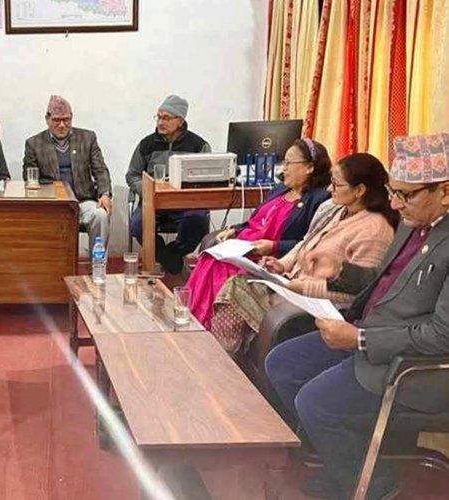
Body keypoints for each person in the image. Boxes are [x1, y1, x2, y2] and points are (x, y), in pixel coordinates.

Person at [266, 132, 449, 500]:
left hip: (406, 363)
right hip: (367, 332)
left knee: (315, 403)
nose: (394, 204)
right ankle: (341, 461)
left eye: (406, 195)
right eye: (393, 192)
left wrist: (361, 339)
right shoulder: (412, 225)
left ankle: (376, 484)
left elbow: (441, 335)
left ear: (444, 191)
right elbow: (383, 281)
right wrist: (339, 271)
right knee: (283, 364)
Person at [208, 153, 397, 356]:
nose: (329, 189)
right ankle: (222, 356)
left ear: (359, 190)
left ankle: (221, 360)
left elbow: (357, 292)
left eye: (336, 184)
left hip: (317, 301)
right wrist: (282, 264)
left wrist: (302, 287)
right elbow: (305, 242)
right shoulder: (336, 211)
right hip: (292, 284)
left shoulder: (374, 230)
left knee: (237, 289)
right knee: (237, 283)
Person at [186, 138, 332, 328]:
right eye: (284, 162)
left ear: (309, 167)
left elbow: (309, 242)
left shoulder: (320, 199)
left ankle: (205, 326)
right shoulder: (280, 189)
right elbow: (256, 220)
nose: (284, 168)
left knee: (222, 268)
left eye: (289, 163)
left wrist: (274, 246)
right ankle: (190, 319)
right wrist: (235, 229)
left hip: (269, 256)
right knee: (210, 257)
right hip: (245, 246)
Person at [126, 95, 211, 274]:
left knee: (199, 222)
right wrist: (146, 190)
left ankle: (174, 252)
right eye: (158, 117)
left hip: (186, 204)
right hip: (153, 203)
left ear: (180, 121)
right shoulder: (147, 144)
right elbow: (132, 175)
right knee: (137, 224)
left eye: (166, 118)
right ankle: (166, 256)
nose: (160, 122)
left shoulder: (198, 145)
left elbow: (207, 178)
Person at [23, 95, 112, 251]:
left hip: (83, 201)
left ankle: (97, 263)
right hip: (53, 205)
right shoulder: (34, 144)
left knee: (101, 215)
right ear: (47, 119)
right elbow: (29, 178)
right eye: (57, 120)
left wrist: (104, 194)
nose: (62, 125)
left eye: (66, 120)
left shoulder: (87, 138)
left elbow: (100, 169)